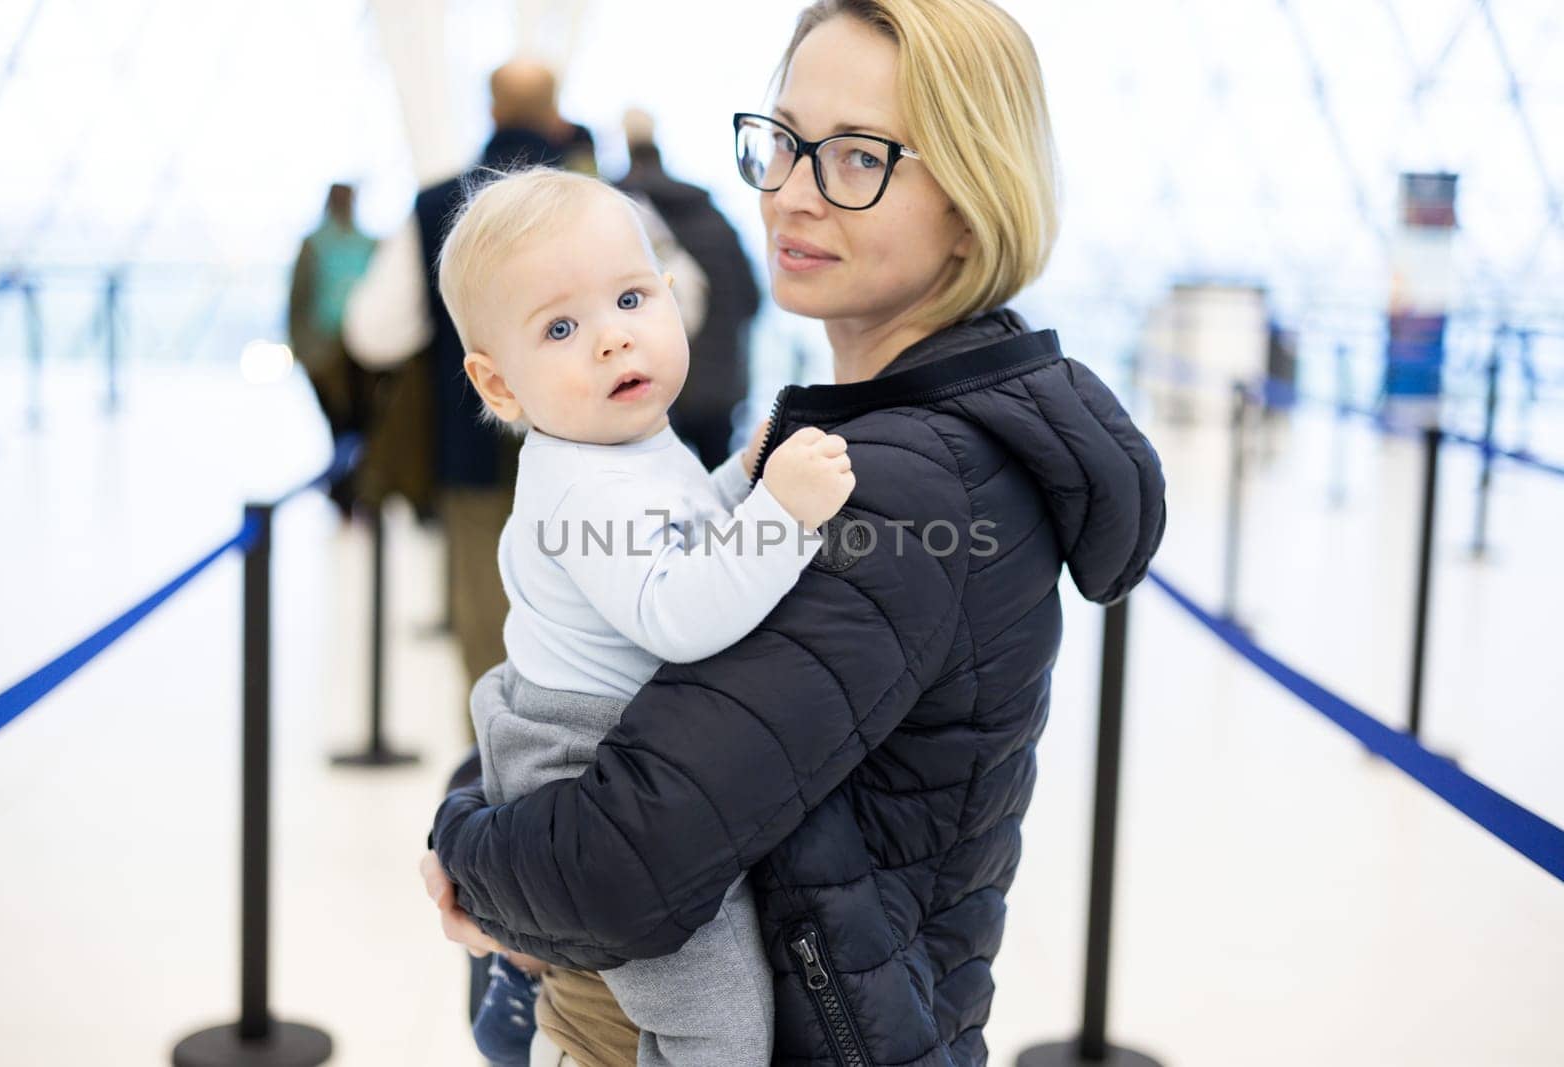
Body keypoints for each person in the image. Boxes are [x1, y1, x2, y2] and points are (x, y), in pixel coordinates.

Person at [423, 2, 1167, 1064]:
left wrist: (462, 845)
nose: (790, 191)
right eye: (781, 142)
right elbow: (656, 714)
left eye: (857, 156)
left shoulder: (910, 485)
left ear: (971, 200)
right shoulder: (862, 440)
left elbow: (623, 864)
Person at [440, 167, 856, 1066]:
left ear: (674, 299)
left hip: (603, 747)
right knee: (718, 1018)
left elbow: (675, 534)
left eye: (630, 296)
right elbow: (676, 611)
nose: (610, 338)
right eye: (560, 327)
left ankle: (527, 974)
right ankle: (544, 980)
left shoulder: (622, 442)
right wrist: (781, 514)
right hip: (579, 767)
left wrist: (740, 481)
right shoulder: (580, 480)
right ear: (499, 384)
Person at [343, 59, 598, 694]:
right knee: (596, 627)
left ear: (490, 111)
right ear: (556, 111)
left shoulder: (435, 204)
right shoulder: (602, 203)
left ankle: (500, 780)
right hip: (596, 452)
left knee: (488, 633)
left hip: (474, 443)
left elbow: (374, 333)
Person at [617, 109, 762, 468]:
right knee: (720, 487)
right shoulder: (713, 216)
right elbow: (751, 299)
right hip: (720, 387)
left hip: (650, 390)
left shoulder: (618, 218)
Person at [288, 182, 376, 513]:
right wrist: (304, 350)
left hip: (362, 352)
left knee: (359, 426)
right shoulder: (314, 245)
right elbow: (298, 301)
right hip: (326, 352)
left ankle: (357, 492)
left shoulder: (367, 243)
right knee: (339, 425)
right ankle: (343, 495)